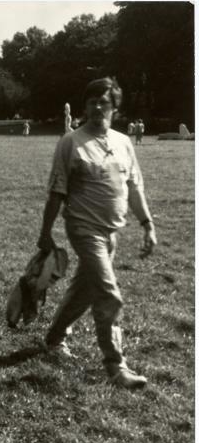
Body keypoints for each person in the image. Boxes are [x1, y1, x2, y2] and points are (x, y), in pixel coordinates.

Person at [37, 78, 156, 390]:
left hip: (111, 232)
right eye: (92, 101)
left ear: (115, 107)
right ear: (84, 106)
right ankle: (116, 366)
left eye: (104, 101)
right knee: (108, 293)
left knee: (84, 291)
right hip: (83, 228)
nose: (98, 107)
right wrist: (45, 232)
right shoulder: (71, 142)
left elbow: (133, 187)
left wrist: (147, 224)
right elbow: (56, 191)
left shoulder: (123, 142)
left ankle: (54, 337)